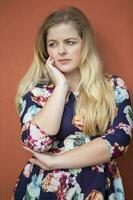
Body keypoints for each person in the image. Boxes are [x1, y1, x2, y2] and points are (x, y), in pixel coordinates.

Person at [13, 6, 133, 200]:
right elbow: (37, 143)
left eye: (70, 42)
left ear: (84, 45)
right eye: (53, 44)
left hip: (96, 188)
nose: (61, 51)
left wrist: (55, 162)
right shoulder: (35, 93)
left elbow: (119, 141)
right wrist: (61, 86)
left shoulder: (113, 87)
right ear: (45, 50)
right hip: (44, 191)